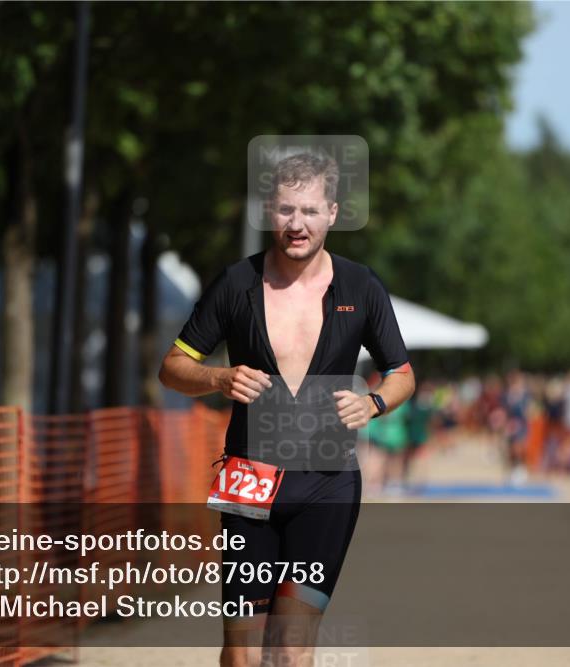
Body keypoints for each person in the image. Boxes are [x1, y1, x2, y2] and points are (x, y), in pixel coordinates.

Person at [158, 151, 414, 667]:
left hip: (327, 484)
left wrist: (375, 403)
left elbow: (403, 374)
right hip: (249, 480)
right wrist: (219, 376)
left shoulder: (361, 287)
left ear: (333, 213)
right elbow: (171, 368)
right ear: (269, 211)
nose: (296, 224)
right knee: (244, 648)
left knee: (292, 648)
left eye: (309, 211)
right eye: (285, 210)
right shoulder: (236, 285)